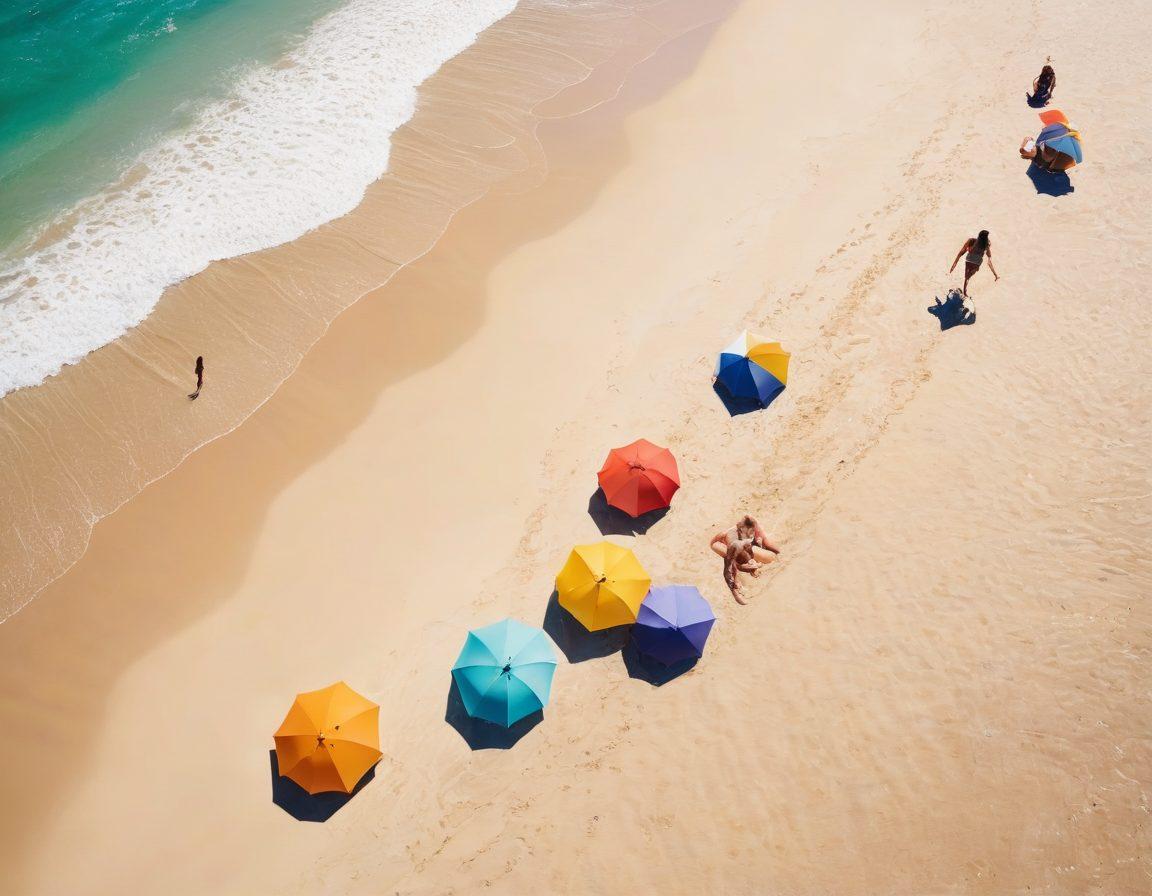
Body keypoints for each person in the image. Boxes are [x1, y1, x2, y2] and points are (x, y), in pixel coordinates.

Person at [709, 515, 781, 604]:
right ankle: (736, 589)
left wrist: (779, 554)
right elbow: (729, 569)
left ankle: (752, 563)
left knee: (769, 555)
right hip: (719, 545)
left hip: (744, 546)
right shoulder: (731, 540)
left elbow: (766, 542)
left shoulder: (753, 524)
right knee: (736, 565)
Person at [949, 230, 999, 297]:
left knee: (967, 278)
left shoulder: (971, 240)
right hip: (976, 263)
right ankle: (965, 292)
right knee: (968, 277)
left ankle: (964, 292)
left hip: (969, 260)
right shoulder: (986, 245)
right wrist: (995, 274)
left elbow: (961, 253)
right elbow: (989, 262)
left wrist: (954, 264)